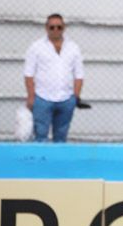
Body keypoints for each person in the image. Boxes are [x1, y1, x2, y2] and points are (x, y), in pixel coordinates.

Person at [23, 13, 86, 142]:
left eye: (59, 27)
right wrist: (31, 97)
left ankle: (59, 161)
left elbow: (79, 74)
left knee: (61, 137)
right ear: (46, 28)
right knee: (40, 135)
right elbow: (28, 74)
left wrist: (75, 96)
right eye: (52, 27)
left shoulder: (73, 48)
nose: (56, 30)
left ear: (64, 27)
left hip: (66, 99)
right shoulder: (36, 47)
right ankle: (40, 161)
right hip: (42, 98)